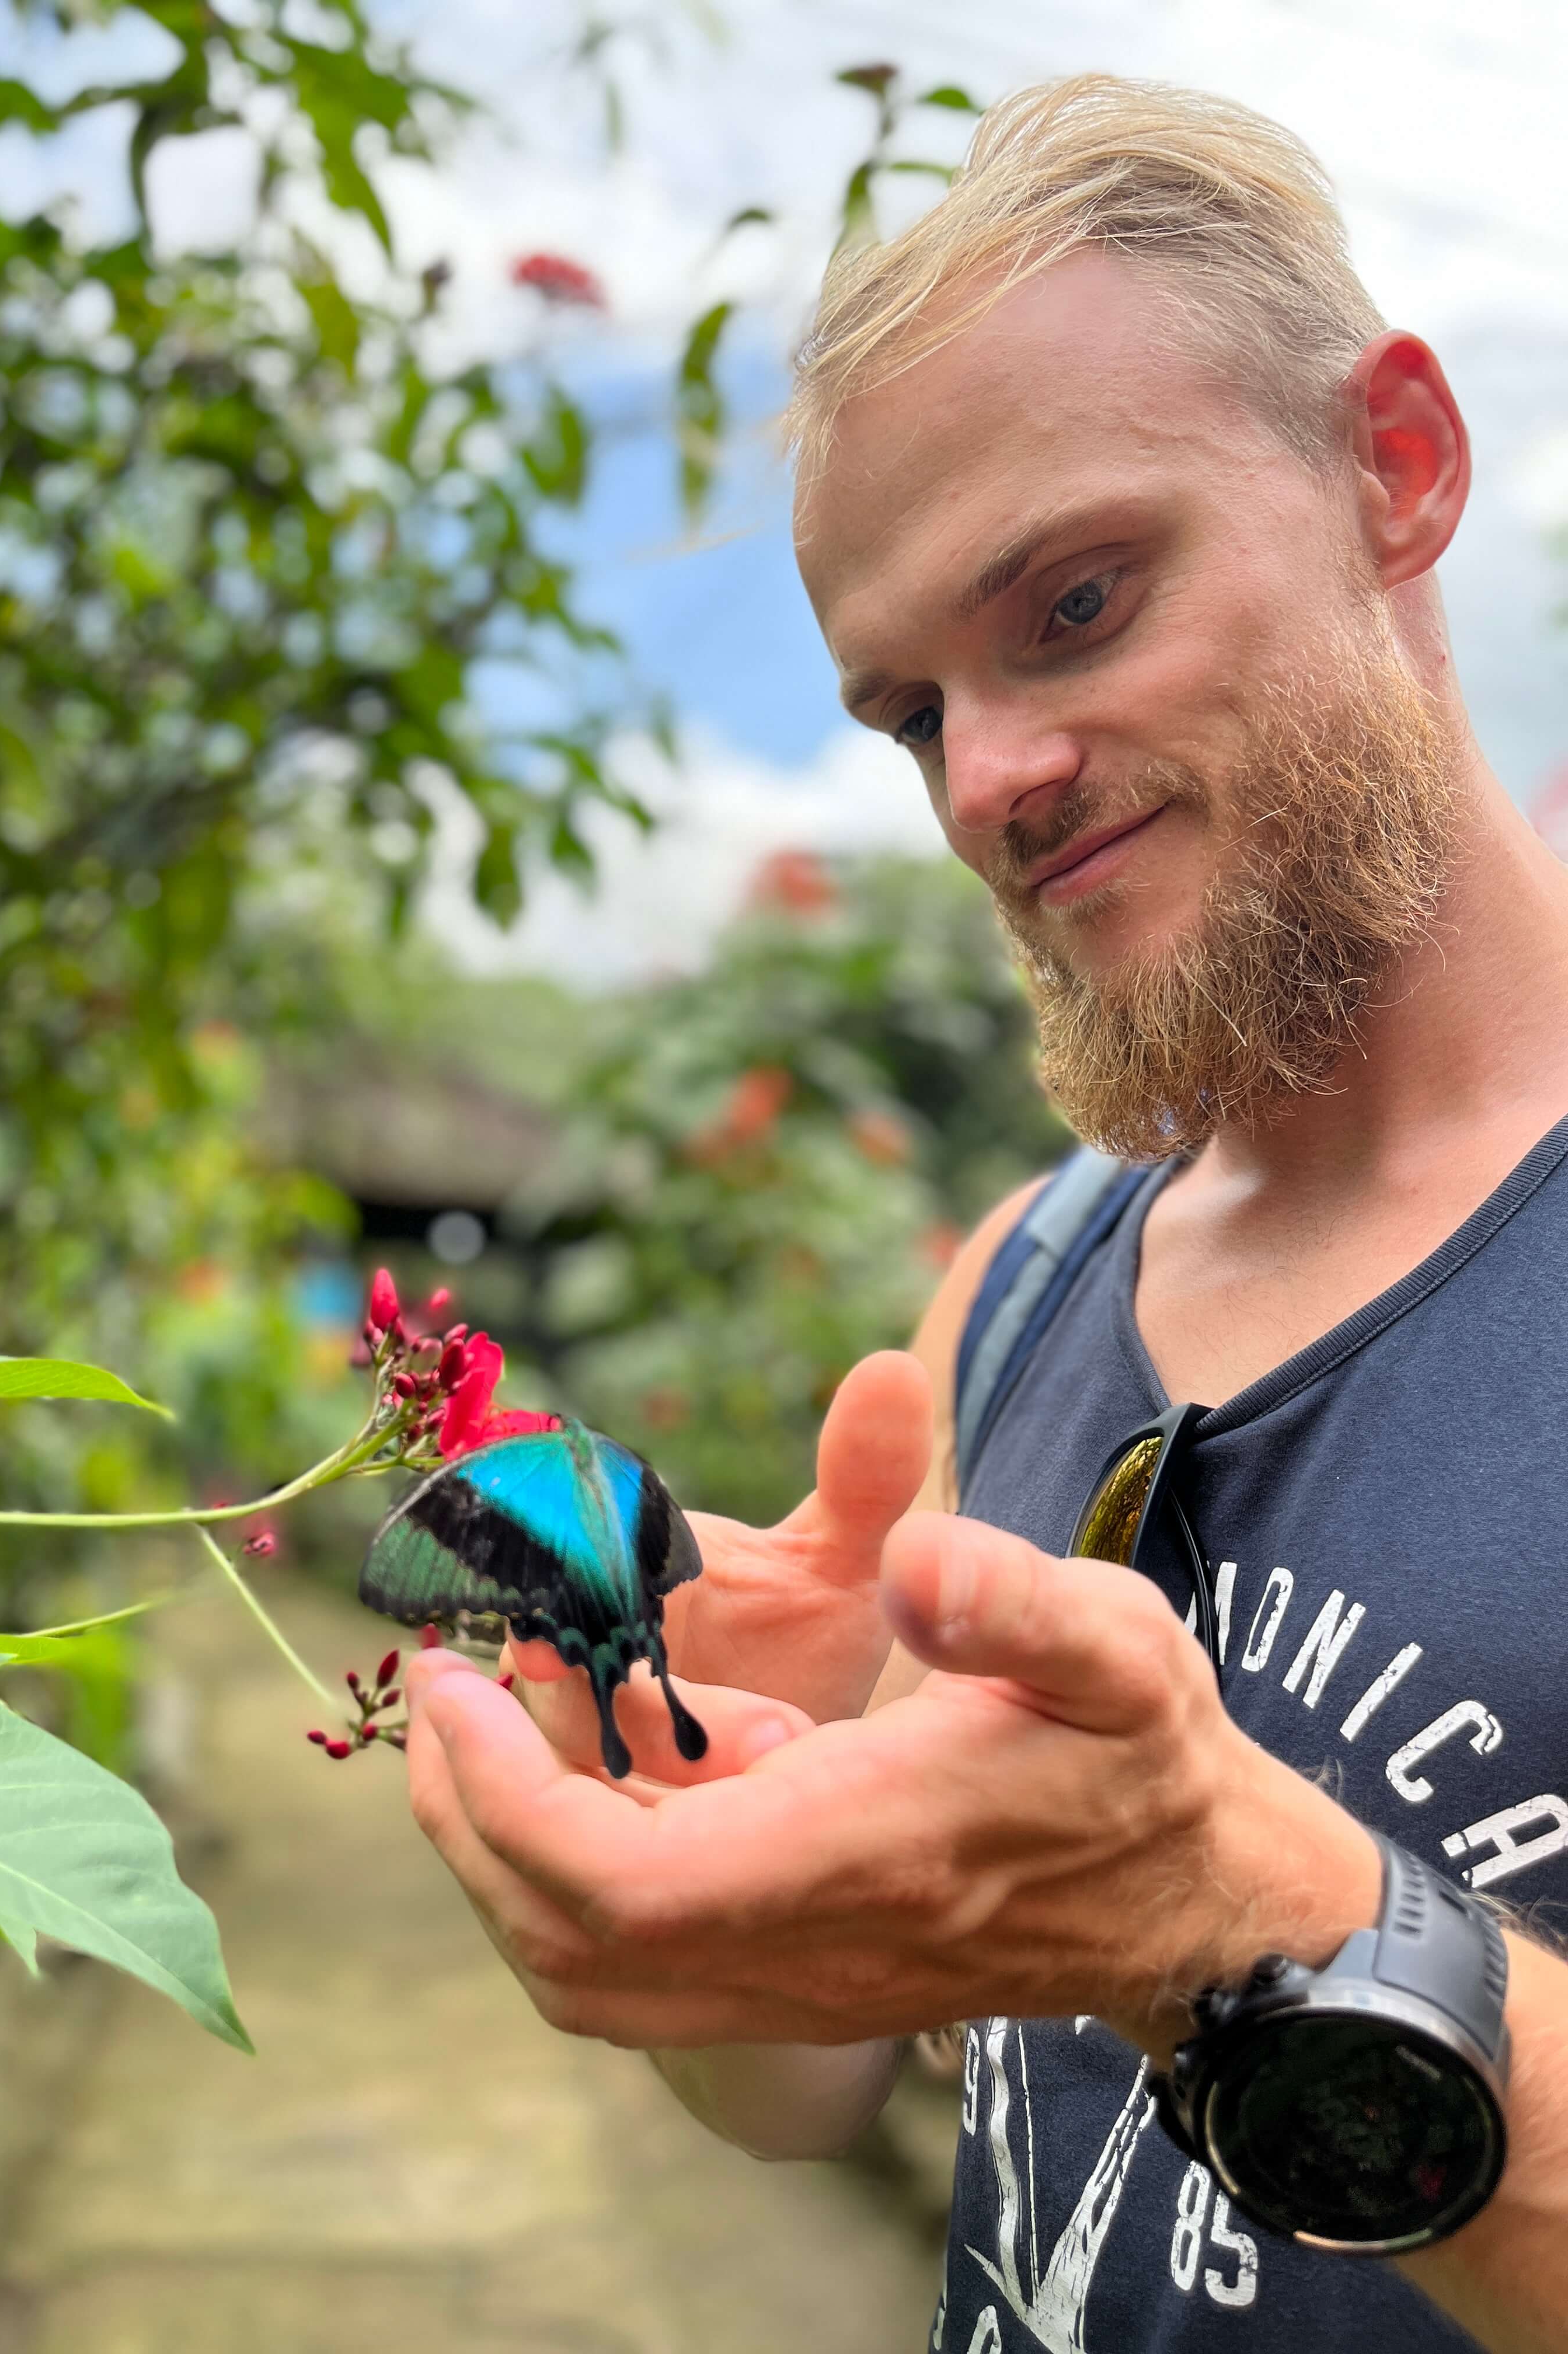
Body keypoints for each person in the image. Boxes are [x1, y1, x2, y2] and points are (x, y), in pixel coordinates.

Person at [403, 74, 1568, 2353]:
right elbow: (812, 2098)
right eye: (910, 711)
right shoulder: (1034, 1282)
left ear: (1397, 468)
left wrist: (1217, 1908)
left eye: (1078, 600)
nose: (994, 781)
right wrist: (706, 1816)